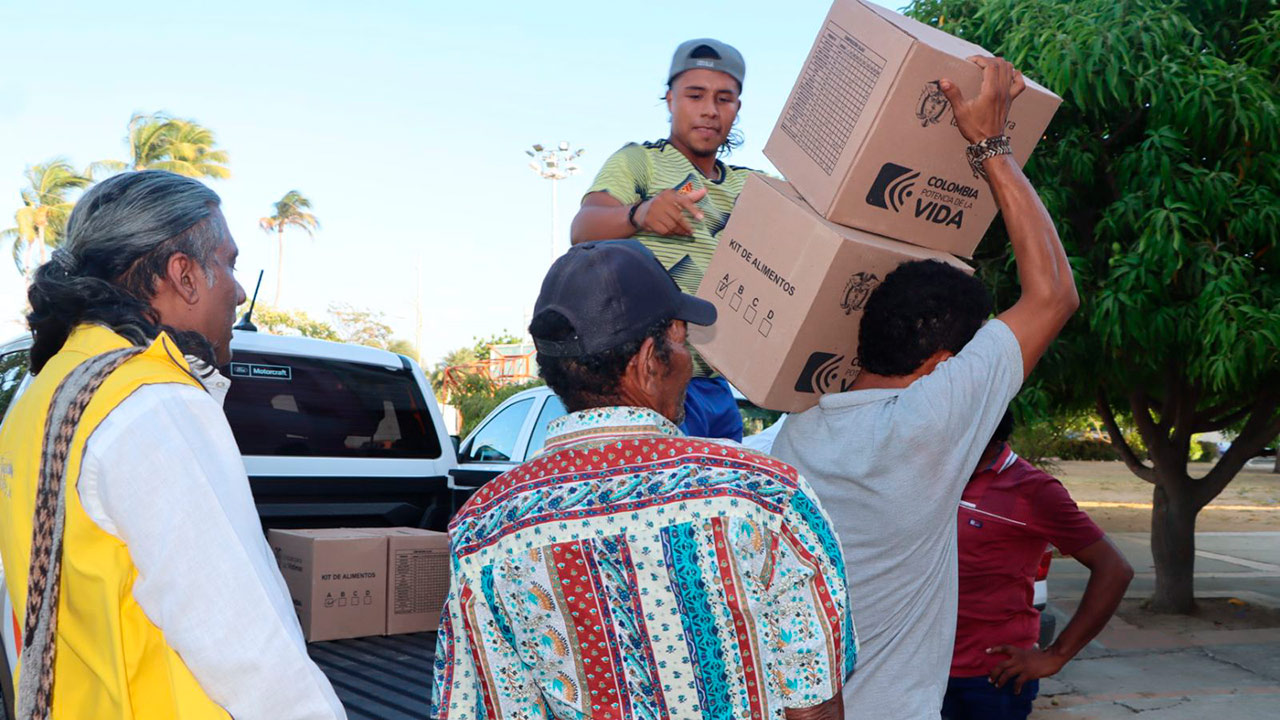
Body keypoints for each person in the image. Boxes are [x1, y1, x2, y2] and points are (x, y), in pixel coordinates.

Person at [772, 56, 1080, 720]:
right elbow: (1054, 294)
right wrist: (990, 145)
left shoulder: (788, 438)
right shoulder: (925, 424)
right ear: (943, 365)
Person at [432, 240, 855, 720]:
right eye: (682, 342)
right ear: (652, 358)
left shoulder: (484, 530)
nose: (689, 364)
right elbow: (813, 706)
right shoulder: (765, 497)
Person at [0, 171, 346, 719]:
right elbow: (247, 650)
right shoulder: (154, 402)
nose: (236, 289)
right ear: (183, 276)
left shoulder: (39, 392)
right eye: (229, 263)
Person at [570, 39, 754, 441]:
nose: (709, 109)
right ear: (670, 99)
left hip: (717, 383)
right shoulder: (640, 161)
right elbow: (583, 227)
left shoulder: (750, 186)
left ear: (737, 108)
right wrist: (640, 213)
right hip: (649, 380)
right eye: (695, 95)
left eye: (724, 98)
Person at [945, 411, 1133, 720]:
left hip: (990, 678)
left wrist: (1055, 656)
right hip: (922, 666)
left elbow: (1114, 569)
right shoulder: (932, 476)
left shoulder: (1033, 490)